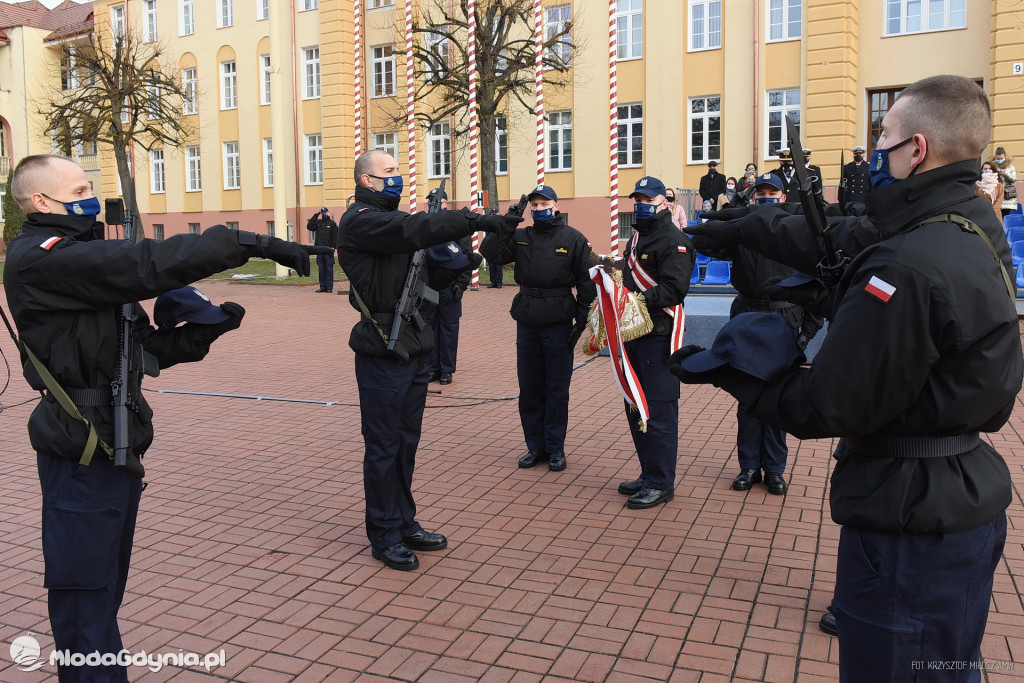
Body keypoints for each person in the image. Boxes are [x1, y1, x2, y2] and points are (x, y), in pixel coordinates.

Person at [678, 75, 1021, 682]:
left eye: (883, 139)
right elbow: (842, 235)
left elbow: (829, 403)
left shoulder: (908, 265)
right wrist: (744, 229)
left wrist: (737, 373)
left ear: (917, 149)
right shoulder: (965, 220)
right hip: (955, 498)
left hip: (908, 520)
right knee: (946, 669)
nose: (874, 154)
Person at [3, 154, 328, 682]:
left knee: (105, 590)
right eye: (80, 188)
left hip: (118, 442)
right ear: (41, 201)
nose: (92, 195)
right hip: (82, 449)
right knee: (84, 601)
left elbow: (138, 349)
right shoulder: (40, 259)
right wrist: (250, 242)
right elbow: (146, 263)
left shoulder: (83, 258)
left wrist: (201, 332)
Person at [337, 150, 518, 572]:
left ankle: (404, 522)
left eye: (398, 170)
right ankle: (383, 534)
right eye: (389, 172)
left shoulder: (399, 225)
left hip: (414, 343)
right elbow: (411, 230)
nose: (397, 178)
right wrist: (473, 219)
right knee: (383, 446)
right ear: (367, 181)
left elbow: (424, 271)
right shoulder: (361, 220)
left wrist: (464, 262)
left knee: (406, 444)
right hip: (383, 347)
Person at [689, 173, 818, 495]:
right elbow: (704, 242)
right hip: (748, 315)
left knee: (776, 399)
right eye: (760, 193)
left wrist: (805, 336)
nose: (765, 198)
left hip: (784, 317)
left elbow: (817, 289)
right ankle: (748, 467)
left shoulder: (798, 233)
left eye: (771, 192)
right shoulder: (744, 231)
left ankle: (774, 469)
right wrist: (736, 215)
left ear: (783, 195)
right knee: (747, 399)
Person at [479, 184, 596, 473]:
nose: (539, 209)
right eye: (535, 205)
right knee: (530, 388)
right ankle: (535, 446)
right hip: (528, 319)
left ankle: (555, 448)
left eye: (545, 204)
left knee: (556, 388)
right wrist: (506, 223)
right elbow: (490, 253)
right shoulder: (521, 236)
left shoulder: (573, 239)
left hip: (558, 321)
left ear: (556, 205)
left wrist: (580, 323)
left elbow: (586, 284)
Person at [615, 176, 695, 509]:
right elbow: (628, 274)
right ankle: (649, 474)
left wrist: (634, 300)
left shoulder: (673, 240)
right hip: (634, 332)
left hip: (659, 335)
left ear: (665, 202)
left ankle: (662, 483)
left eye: (648, 199)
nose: (641, 205)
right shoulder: (638, 237)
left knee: (659, 411)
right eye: (637, 199)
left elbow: (675, 289)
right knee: (635, 406)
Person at [423, 188, 482, 385]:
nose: (433, 204)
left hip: (450, 286)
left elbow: (467, 257)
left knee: (449, 329)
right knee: (430, 328)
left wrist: (461, 284)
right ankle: (432, 368)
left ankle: (447, 370)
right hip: (429, 287)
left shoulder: (455, 227)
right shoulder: (425, 225)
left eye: (436, 201)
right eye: (430, 201)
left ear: (446, 203)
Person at [306, 207, 338, 293]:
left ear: (328, 212)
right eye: (322, 212)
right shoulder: (318, 223)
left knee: (328, 269)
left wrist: (333, 247)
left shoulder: (332, 224)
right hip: (319, 250)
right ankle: (322, 286)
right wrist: (316, 215)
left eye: (325, 212)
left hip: (328, 250)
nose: (324, 214)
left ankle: (329, 287)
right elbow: (309, 227)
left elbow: (335, 237)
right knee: (321, 269)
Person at [991, 147, 1018, 217]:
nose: (999, 160)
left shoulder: (1010, 167)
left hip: (1007, 196)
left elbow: (1013, 179)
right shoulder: (992, 166)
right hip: (996, 193)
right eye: (998, 159)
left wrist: (1005, 174)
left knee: (1004, 215)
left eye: (1001, 158)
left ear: (1005, 157)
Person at [486, 209, 505, 288]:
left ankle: (499, 282)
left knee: (498, 266)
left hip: (498, 247)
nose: (494, 214)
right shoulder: (489, 225)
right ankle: (493, 282)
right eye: (492, 213)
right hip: (490, 248)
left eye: (495, 213)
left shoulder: (501, 224)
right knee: (491, 266)